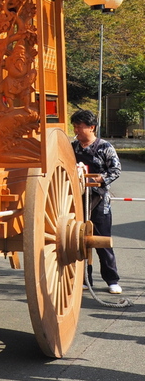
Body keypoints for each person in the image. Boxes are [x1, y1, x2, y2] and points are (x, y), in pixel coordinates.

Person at [71, 110, 122, 294]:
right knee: (79, 241)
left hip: (99, 200)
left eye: (79, 126)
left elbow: (116, 170)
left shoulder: (105, 147)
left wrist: (99, 179)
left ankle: (112, 280)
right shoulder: (73, 147)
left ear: (91, 127)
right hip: (77, 199)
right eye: (74, 126)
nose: (76, 129)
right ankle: (85, 278)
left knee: (101, 241)